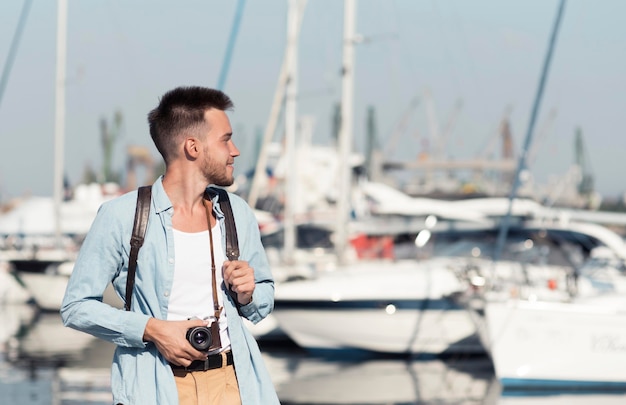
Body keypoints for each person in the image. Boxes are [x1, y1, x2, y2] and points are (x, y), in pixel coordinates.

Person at [61, 86, 280, 404]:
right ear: (193, 147)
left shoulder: (237, 213)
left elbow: (263, 303)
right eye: (225, 139)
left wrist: (249, 294)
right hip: (157, 386)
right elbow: (75, 307)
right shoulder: (123, 216)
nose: (235, 150)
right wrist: (152, 329)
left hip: (236, 383)